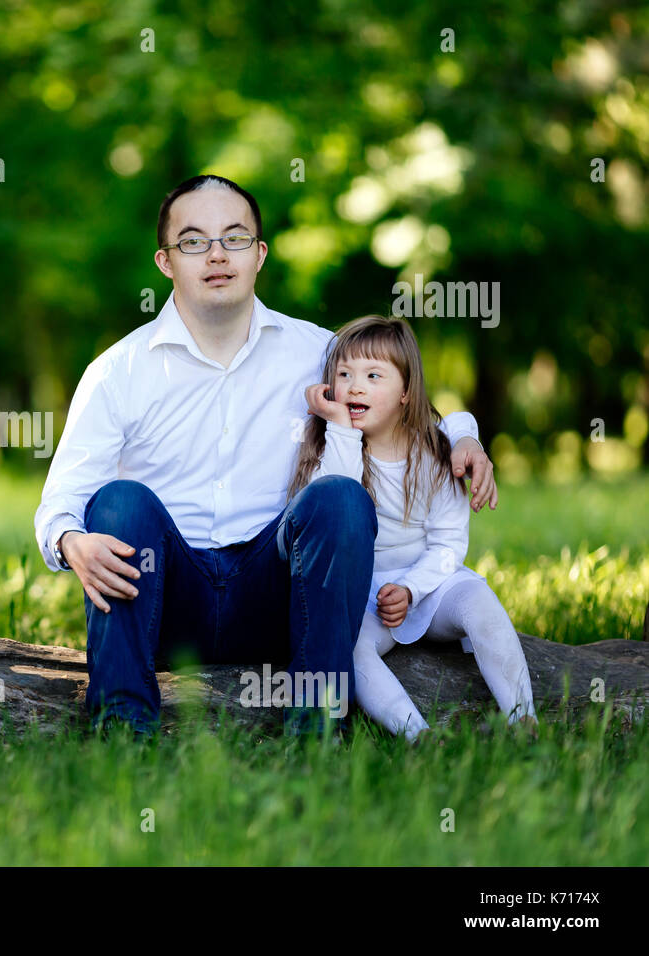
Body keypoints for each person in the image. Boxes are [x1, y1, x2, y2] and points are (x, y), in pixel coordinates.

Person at [34, 173, 499, 738]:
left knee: (340, 498)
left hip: (278, 593)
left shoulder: (318, 352)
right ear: (165, 262)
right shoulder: (118, 370)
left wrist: (464, 434)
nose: (215, 255)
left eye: (233, 238)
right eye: (193, 241)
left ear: (259, 255)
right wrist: (68, 541)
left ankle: (319, 730)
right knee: (117, 504)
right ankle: (124, 734)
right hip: (166, 601)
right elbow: (62, 498)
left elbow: (403, 405)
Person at [290, 314, 537, 740]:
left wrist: (411, 589)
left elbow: (447, 544)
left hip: (431, 581)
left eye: (372, 375)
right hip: (365, 595)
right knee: (354, 652)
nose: (354, 386)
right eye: (344, 374)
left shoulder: (436, 453)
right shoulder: (328, 448)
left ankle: (523, 717)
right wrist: (341, 428)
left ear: (405, 392)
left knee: (480, 602)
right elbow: (337, 497)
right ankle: (417, 735)